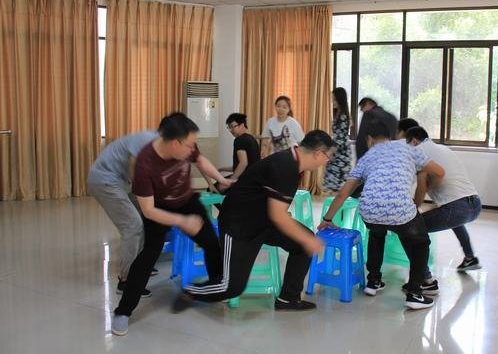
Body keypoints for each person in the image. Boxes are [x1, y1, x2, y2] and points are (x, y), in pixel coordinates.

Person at [174, 130, 335, 312]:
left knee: (303, 243)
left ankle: (288, 299)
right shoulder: (286, 166)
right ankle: (191, 292)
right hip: (239, 225)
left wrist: (304, 237)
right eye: (328, 157)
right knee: (232, 287)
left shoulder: (293, 162)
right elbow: (277, 216)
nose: (326, 161)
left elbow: (275, 205)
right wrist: (307, 240)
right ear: (318, 154)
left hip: (262, 221)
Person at [111, 112, 234, 336]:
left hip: (187, 201)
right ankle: (123, 312)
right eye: (190, 145)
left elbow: (200, 160)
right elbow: (148, 210)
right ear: (175, 143)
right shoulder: (145, 164)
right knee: (148, 255)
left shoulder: (185, 145)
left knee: (211, 243)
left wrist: (222, 179)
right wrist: (182, 221)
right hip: (159, 209)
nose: (193, 149)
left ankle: (213, 289)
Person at [319, 120, 445, 310]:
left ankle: (373, 281)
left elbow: (343, 193)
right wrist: (431, 187)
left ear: (369, 139)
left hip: (369, 209)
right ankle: (414, 293)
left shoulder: (367, 157)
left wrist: (327, 219)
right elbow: (440, 171)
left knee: (376, 235)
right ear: (390, 137)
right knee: (420, 243)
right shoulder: (409, 149)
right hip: (400, 209)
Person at [88, 130, 159, 297]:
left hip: (122, 182)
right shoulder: (148, 140)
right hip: (106, 181)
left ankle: (139, 265)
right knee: (133, 225)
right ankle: (127, 280)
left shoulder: (161, 147)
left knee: (146, 216)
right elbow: (134, 165)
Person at [406, 126, 482, 274]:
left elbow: (422, 187)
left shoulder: (419, 152)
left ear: (414, 141)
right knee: (456, 222)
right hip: (475, 205)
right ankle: (470, 258)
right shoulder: (442, 148)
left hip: (457, 208)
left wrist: (413, 210)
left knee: (413, 228)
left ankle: (423, 275)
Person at [351, 97, 398, 198]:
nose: (362, 111)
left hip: (370, 156)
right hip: (390, 157)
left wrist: (360, 159)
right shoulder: (391, 117)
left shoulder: (369, 115)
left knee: (360, 188)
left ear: (368, 104)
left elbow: (361, 139)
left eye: (362, 108)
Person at [323, 87, 352, 193]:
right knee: (333, 185)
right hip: (337, 153)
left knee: (338, 187)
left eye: (334, 99)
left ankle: (337, 204)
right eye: (332, 99)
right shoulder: (338, 114)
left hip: (341, 155)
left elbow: (340, 138)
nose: (333, 102)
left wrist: (329, 152)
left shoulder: (343, 116)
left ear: (340, 99)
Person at [218, 113, 260, 185]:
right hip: (254, 180)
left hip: (246, 181)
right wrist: (222, 169)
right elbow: (238, 166)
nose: (231, 130)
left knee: (216, 187)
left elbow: (243, 163)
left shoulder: (239, 140)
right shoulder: (252, 138)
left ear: (242, 125)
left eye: (233, 127)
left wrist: (230, 181)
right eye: (229, 127)